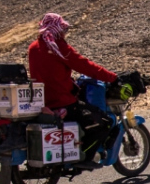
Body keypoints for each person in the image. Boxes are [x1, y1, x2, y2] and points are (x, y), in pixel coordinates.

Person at [27, 13, 117, 160]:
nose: (64, 33)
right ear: (56, 29)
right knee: (104, 123)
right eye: (63, 29)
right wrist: (112, 77)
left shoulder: (33, 47)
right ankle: (86, 157)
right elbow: (85, 65)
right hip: (63, 102)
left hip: (42, 103)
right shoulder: (58, 47)